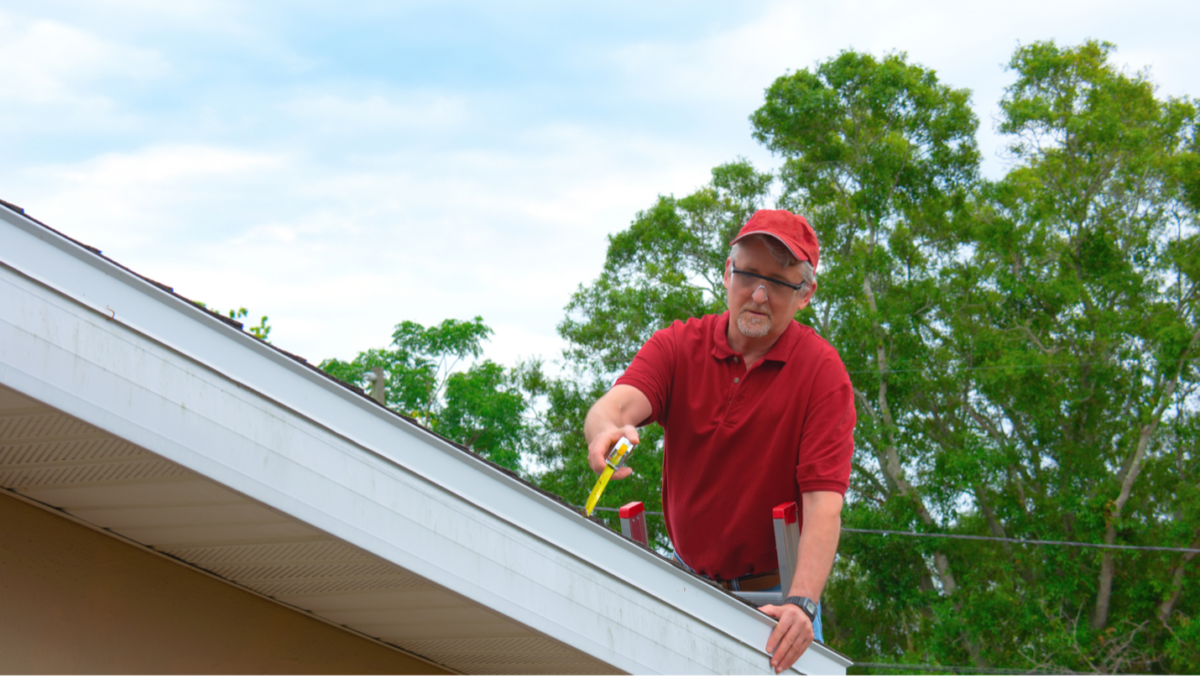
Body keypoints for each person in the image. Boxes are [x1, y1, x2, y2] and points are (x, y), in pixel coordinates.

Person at [583, 209, 855, 673]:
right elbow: (616, 407)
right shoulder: (679, 345)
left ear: (805, 293)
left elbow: (824, 504)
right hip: (684, 580)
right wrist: (604, 431)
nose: (759, 295)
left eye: (779, 282)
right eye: (748, 274)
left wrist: (802, 605)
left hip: (776, 603)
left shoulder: (822, 375)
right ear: (728, 272)